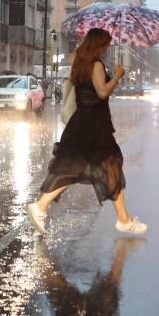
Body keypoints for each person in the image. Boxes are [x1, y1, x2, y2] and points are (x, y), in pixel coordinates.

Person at [27, 28, 148, 236]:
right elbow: (102, 92)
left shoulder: (80, 64)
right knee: (106, 165)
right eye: (105, 44)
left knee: (83, 168)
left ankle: (123, 219)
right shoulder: (97, 65)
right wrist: (117, 77)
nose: (107, 48)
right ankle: (41, 206)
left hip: (83, 123)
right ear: (98, 45)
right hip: (94, 126)